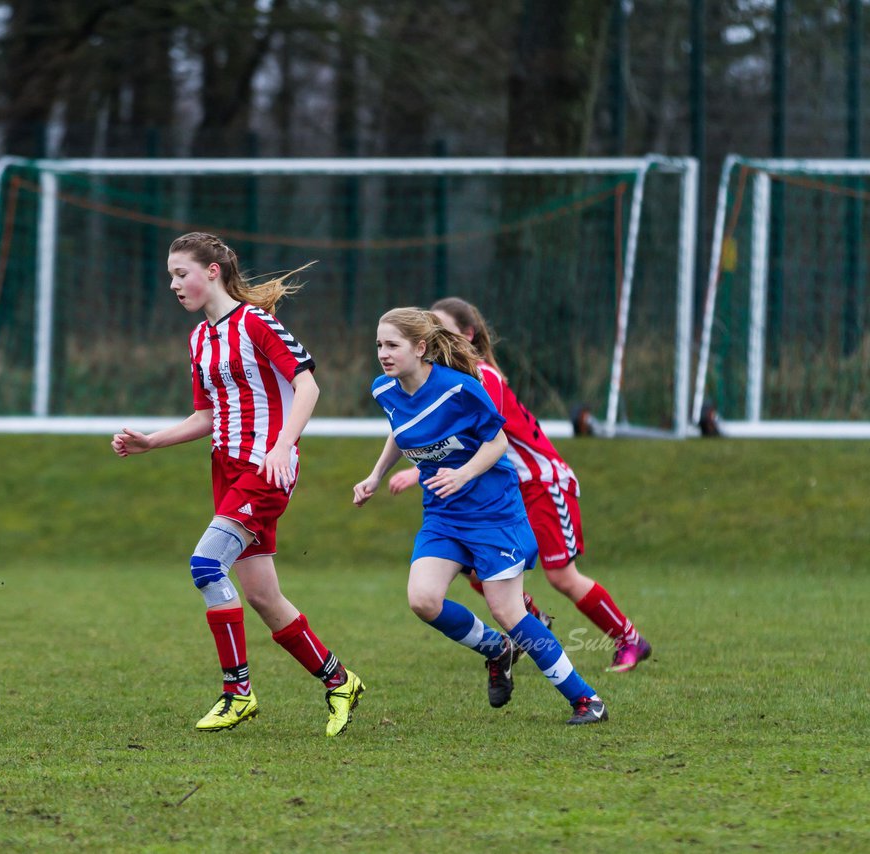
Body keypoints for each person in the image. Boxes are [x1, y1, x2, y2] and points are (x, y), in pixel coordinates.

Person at [112, 232, 365, 737]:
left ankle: (238, 692)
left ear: (212, 272)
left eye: (181, 273)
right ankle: (340, 681)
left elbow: (308, 385)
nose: (173, 284)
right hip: (228, 469)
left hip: (265, 470)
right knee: (265, 597)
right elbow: (207, 414)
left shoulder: (257, 323)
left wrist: (281, 445)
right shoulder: (200, 339)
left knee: (206, 565)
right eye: (169, 276)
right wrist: (152, 442)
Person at [353, 307, 606, 725]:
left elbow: (498, 442)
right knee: (423, 599)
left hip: (493, 513)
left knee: (509, 612)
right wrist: (375, 475)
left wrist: (464, 473)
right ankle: (496, 649)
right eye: (379, 344)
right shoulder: (384, 390)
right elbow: (402, 428)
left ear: (420, 348)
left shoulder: (460, 388)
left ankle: (586, 700)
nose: (383, 352)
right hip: (443, 515)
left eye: (392, 345)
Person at [388, 298, 652, 673]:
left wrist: (419, 471)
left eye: (441, 329)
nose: (433, 336)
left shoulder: (483, 377)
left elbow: (480, 437)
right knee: (478, 568)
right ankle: (533, 623)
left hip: (542, 481)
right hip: (501, 490)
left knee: (561, 575)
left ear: (466, 335)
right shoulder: (443, 381)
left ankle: (629, 639)